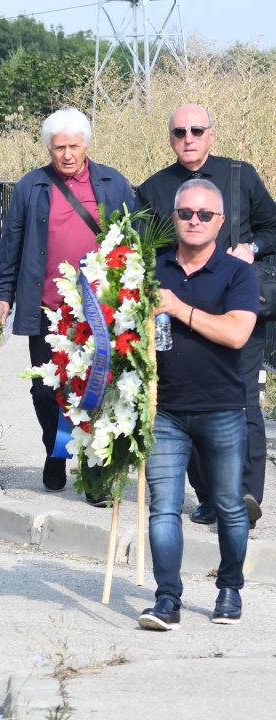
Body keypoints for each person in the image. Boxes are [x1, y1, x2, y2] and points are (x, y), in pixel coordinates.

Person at [136, 103, 276, 529]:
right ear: (170, 138)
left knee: (244, 401)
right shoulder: (153, 189)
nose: (189, 138)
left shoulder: (240, 176)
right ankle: (209, 494)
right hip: (175, 316)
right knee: (183, 400)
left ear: (211, 134)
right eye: (179, 132)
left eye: (197, 130)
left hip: (240, 311)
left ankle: (244, 495)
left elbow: (272, 227)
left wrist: (249, 249)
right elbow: (141, 253)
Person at [0, 108, 135, 499]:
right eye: (59, 148)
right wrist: (4, 297)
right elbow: (12, 245)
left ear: (86, 145)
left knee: (96, 390)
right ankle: (56, 451)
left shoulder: (113, 183)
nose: (67, 154)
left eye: (73, 146)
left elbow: (133, 241)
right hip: (47, 311)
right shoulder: (31, 187)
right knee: (45, 390)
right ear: (49, 149)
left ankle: (93, 472)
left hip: (98, 312)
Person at [138, 179, 258, 631]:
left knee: (228, 504)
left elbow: (236, 333)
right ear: (174, 218)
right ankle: (166, 599)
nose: (194, 221)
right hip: (164, 408)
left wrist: (178, 307)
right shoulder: (152, 268)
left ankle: (230, 588)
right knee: (163, 508)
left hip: (222, 408)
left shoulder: (236, 273)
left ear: (220, 222)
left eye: (204, 215)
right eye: (186, 213)